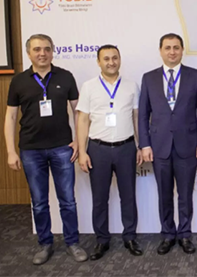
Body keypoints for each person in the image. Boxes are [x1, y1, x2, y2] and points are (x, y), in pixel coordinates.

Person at [4, 34, 87, 265]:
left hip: (62, 147)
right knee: (39, 202)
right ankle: (45, 244)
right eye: (37, 49)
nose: (42, 53)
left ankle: (72, 243)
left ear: (52, 51)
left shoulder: (65, 76)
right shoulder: (18, 81)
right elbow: (10, 117)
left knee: (67, 200)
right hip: (31, 150)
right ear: (28, 53)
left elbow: (78, 112)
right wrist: (10, 151)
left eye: (47, 49)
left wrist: (79, 141)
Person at [138, 33, 197, 255]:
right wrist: (145, 145)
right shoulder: (149, 78)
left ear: (182, 50)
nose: (172, 52)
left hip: (187, 144)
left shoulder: (195, 76)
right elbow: (143, 115)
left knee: (185, 195)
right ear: (160, 51)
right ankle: (168, 234)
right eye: (167, 48)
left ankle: (185, 234)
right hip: (159, 146)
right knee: (164, 194)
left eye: (176, 47)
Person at [76, 45, 143, 260]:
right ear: (99, 62)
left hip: (126, 148)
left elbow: (136, 118)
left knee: (128, 196)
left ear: (120, 60)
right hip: (98, 149)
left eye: (115, 58)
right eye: (106, 59)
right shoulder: (88, 87)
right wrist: (82, 151)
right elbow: (82, 120)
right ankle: (102, 240)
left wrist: (140, 145)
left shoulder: (131, 86)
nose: (111, 62)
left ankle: (130, 237)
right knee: (100, 198)